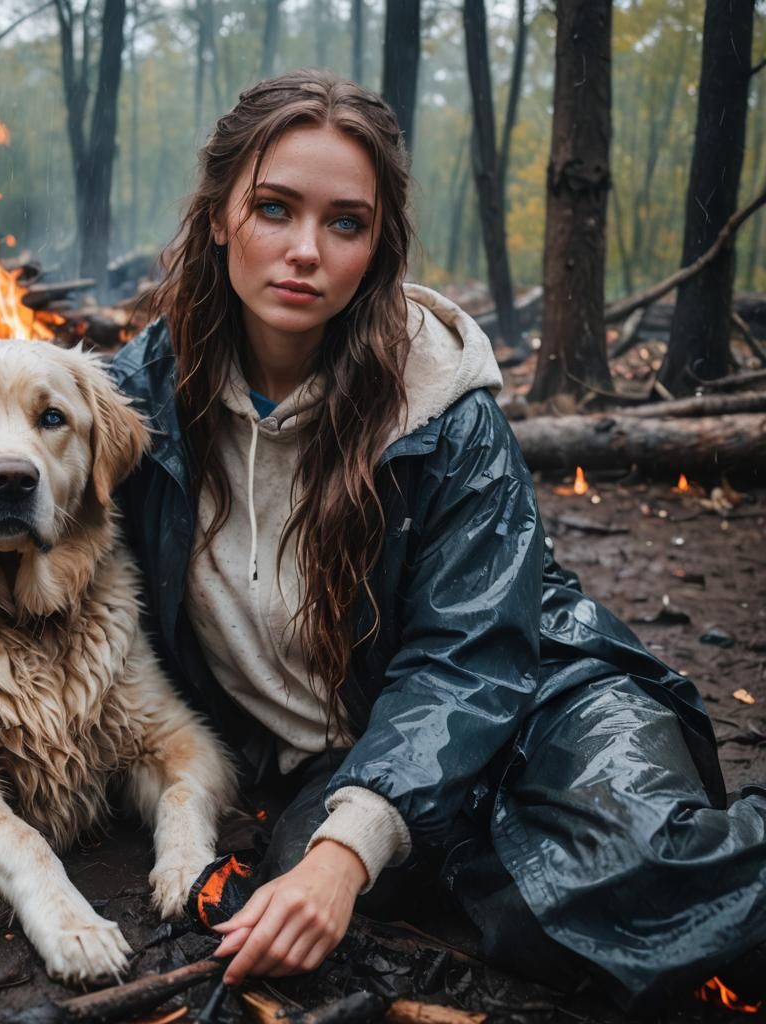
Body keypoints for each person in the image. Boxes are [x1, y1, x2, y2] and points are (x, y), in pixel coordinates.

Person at [109, 69, 766, 1012]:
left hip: (542, 692)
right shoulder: (135, 407)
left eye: (344, 222)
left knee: (645, 873)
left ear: (376, 245)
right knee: (544, 915)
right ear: (218, 216)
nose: (304, 251)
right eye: (274, 209)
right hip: (352, 759)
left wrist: (345, 855)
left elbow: (472, 651)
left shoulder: (441, 406)